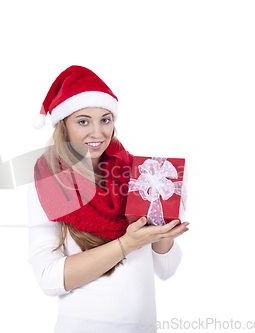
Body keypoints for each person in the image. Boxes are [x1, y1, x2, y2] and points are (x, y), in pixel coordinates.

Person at [27, 65, 189, 333]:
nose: (98, 132)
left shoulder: (139, 174)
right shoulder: (50, 181)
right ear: (63, 125)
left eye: (105, 119)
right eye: (83, 121)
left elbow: (166, 269)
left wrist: (162, 230)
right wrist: (126, 244)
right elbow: (48, 279)